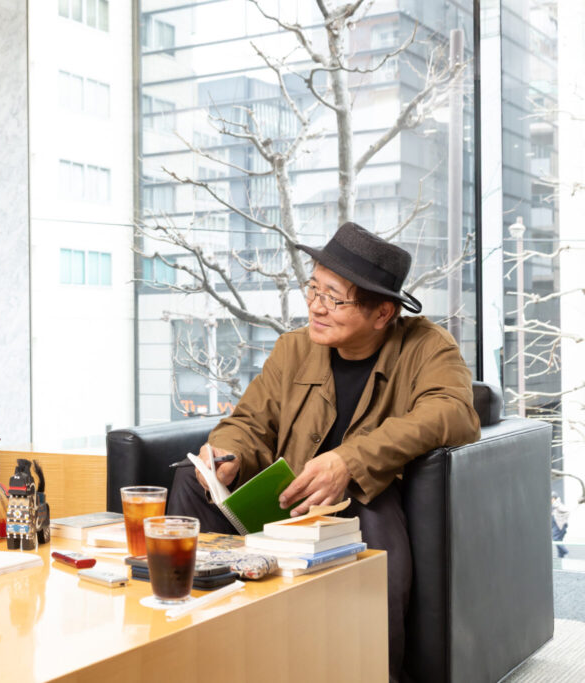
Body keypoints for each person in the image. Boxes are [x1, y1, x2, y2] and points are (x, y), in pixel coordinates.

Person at [168, 222, 481, 680]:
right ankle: (192, 646)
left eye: (334, 298)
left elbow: (453, 412)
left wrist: (350, 461)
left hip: (360, 508)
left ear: (382, 313)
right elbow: (249, 421)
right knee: (189, 480)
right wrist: (227, 453)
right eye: (313, 288)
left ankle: (374, 671)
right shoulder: (293, 349)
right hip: (285, 507)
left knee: (369, 505)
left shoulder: (427, 347)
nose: (315, 306)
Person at [552, 493, 570, 558]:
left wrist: (562, 520)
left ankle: (565, 551)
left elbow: (567, 511)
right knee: (559, 541)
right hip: (557, 527)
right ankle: (560, 556)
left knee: (556, 539)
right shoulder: (555, 506)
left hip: (560, 527)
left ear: (553, 498)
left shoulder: (557, 505)